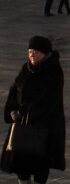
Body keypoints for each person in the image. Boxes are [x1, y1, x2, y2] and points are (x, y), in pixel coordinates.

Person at [1, 35, 65, 184]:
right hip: (22, 125)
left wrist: (31, 112)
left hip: (44, 126)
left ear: (45, 53)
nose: (32, 55)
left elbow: (51, 99)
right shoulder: (26, 68)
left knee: (40, 164)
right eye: (30, 52)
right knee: (20, 163)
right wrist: (12, 108)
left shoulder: (53, 71)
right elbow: (15, 89)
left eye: (36, 52)